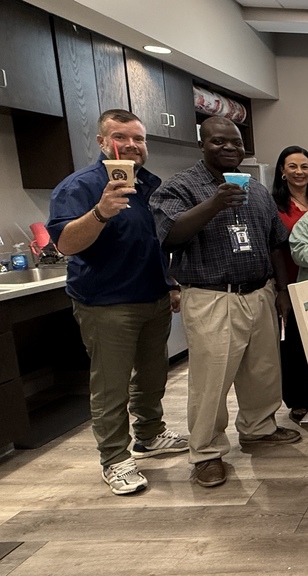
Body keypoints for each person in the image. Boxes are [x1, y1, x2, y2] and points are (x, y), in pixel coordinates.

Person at [151, 117, 301, 489]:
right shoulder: (180, 187)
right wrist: (214, 203)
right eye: (219, 142)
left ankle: (258, 427)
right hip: (213, 296)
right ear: (202, 145)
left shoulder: (257, 189)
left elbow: (275, 243)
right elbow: (168, 236)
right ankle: (206, 452)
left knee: (263, 370)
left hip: (259, 292)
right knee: (212, 379)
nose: (229, 148)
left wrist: (281, 292)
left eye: (235, 142)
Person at [46, 109, 187, 495]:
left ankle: (149, 434)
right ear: (102, 142)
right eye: (121, 137)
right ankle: (115, 459)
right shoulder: (81, 187)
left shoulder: (149, 184)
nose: (131, 145)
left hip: (153, 295)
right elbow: (65, 244)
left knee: (152, 375)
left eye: (138, 139)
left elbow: (153, 240)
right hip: (107, 303)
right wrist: (100, 212)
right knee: (111, 386)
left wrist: (171, 283)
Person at [271, 145, 308, 426]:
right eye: (292, 166)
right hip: (290, 281)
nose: (299, 172)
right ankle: (299, 401)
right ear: (282, 171)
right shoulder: (274, 205)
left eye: (304, 166)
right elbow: (274, 247)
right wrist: (281, 288)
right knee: (294, 342)